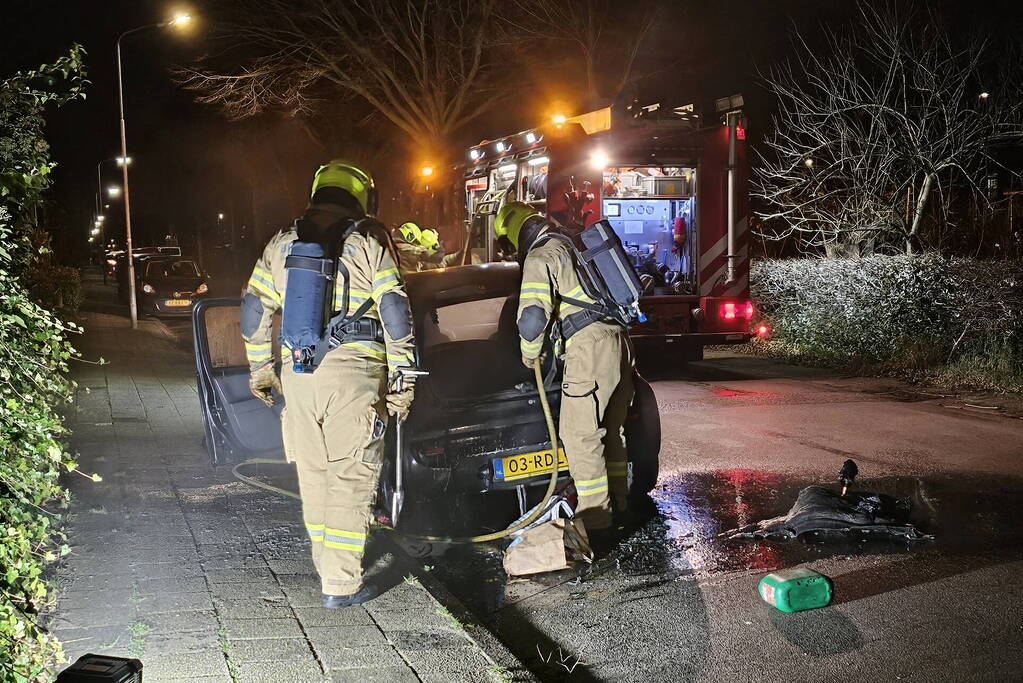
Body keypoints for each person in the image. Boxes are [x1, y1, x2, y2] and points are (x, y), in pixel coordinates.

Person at [241, 161, 416, 608]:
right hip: (354, 374)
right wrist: (404, 375)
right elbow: (394, 308)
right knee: (351, 477)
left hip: (298, 375)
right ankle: (341, 585)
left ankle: (328, 570)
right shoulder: (367, 239)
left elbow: (252, 309)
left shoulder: (283, 242)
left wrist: (261, 368)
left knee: (315, 477)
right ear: (361, 197)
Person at [493, 201, 635, 533]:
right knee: (611, 432)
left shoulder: (540, 255)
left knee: (580, 437)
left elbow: (532, 317)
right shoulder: (568, 242)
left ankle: (596, 521)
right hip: (620, 341)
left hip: (589, 348)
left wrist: (530, 352)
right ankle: (621, 505)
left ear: (514, 235)